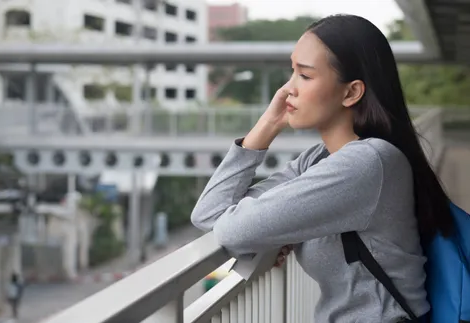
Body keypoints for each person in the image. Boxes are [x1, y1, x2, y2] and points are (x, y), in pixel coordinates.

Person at [190, 14, 452, 323]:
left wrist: (271, 228)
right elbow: (208, 214)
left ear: (351, 92)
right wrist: (268, 125)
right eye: (292, 71)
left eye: (305, 75)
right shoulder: (317, 159)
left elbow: (233, 229)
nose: (287, 90)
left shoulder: (368, 164)